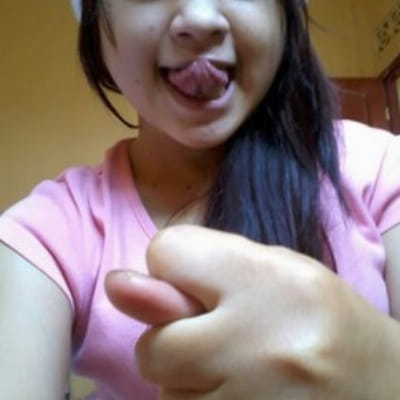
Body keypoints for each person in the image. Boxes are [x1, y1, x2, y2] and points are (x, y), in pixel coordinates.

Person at [0, 0, 399, 398]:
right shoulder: (44, 236)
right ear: (94, 22)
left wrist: (380, 370)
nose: (201, 18)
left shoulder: (380, 168)